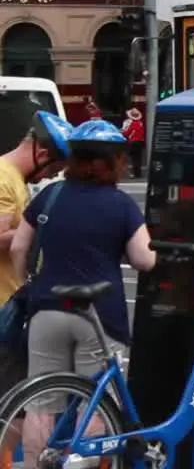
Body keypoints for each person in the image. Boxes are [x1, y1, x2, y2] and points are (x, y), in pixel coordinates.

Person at [11, 119, 156, 459]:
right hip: (98, 315)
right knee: (95, 402)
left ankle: (36, 465)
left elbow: (19, 247)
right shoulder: (120, 205)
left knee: (42, 403)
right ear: (110, 162)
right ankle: (82, 463)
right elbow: (144, 260)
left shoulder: (50, 194)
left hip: (46, 307)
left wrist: (27, 284)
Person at [0, 111, 72, 464]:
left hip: (11, 302)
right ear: (42, 154)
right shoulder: (2, 178)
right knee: (13, 404)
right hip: (3, 305)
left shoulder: (12, 178)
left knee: (15, 402)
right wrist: (39, 225)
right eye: (52, 169)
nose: (50, 177)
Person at [121, 107, 145, 179]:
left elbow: (127, 133)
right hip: (140, 142)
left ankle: (132, 173)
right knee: (138, 158)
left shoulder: (133, 123)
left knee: (132, 158)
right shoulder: (141, 123)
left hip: (133, 142)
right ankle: (138, 173)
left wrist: (122, 133)